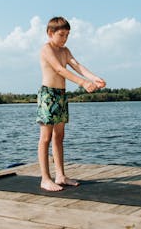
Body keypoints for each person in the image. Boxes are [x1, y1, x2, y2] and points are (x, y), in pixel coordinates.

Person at [36, 16, 106, 191]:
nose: (65, 38)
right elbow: (59, 69)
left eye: (67, 35)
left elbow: (77, 66)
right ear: (50, 33)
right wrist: (83, 83)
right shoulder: (46, 49)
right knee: (45, 138)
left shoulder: (65, 51)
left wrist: (94, 78)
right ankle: (45, 178)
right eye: (61, 35)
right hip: (48, 96)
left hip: (61, 95)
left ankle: (60, 175)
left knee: (59, 137)